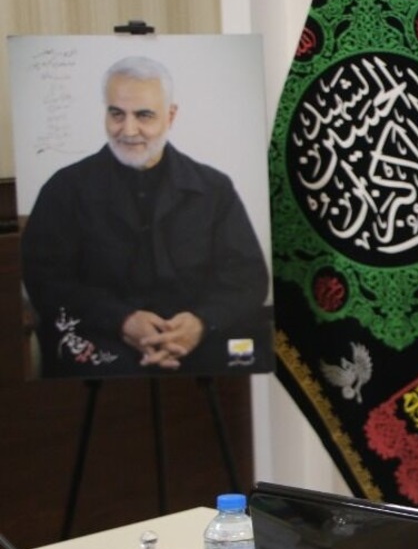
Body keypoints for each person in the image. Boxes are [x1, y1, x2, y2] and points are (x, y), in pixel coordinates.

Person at [21, 55, 270, 377]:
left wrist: (201, 323)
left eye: (144, 115)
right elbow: (45, 280)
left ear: (170, 116)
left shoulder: (214, 188)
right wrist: (121, 320)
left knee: (248, 360)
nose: (128, 130)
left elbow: (248, 277)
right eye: (116, 114)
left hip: (202, 336)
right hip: (101, 333)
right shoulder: (65, 189)